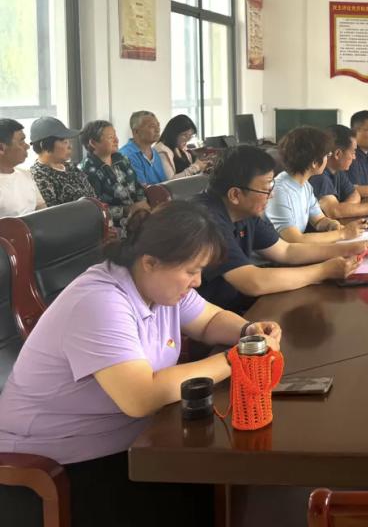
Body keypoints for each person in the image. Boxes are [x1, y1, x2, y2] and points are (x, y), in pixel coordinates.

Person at [0, 201, 282, 526]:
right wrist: (239, 357)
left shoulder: (161, 287)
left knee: (232, 489)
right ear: (150, 262)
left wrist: (248, 331)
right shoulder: (100, 302)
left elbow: (209, 320)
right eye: (191, 271)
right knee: (214, 498)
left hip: (133, 438)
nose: (197, 282)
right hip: (62, 460)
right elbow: (141, 396)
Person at [193, 145, 364, 314]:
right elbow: (252, 281)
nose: (272, 194)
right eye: (266, 189)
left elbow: (286, 250)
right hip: (211, 318)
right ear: (235, 195)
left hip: (236, 306)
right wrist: (323, 271)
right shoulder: (205, 220)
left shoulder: (243, 211)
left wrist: (350, 248)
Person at [264, 126, 362, 244]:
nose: (327, 159)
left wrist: (331, 224)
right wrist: (343, 234)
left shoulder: (305, 185)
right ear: (315, 163)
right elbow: (295, 240)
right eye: (327, 155)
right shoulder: (280, 191)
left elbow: (319, 220)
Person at [312, 124, 368, 220]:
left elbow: (355, 194)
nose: (354, 157)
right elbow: (334, 211)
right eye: (353, 152)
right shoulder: (319, 176)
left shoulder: (338, 171)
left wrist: (344, 209)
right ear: (337, 154)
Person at [79, 119, 148, 229]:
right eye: (111, 137)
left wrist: (143, 204)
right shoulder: (85, 171)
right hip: (113, 227)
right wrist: (128, 210)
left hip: (138, 218)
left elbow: (137, 185)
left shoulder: (121, 159)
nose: (117, 140)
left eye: (115, 136)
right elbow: (94, 210)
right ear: (93, 143)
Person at [28, 116, 97, 208]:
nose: (70, 146)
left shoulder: (71, 167)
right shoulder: (39, 176)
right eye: (64, 142)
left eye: (69, 141)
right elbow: (53, 212)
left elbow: (93, 198)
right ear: (44, 145)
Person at [0, 119, 45, 218]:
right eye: (21, 142)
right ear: (1, 148)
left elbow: (41, 207)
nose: (27, 146)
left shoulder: (26, 174)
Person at [154, 114, 211, 179]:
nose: (188, 139)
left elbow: (190, 174)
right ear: (173, 134)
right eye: (184, 135)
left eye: (191, 135)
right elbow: (170, 181)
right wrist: (196, 167)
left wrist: (202, 165)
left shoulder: (180, 148)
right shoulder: (162, 151)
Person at [119, 110, 166, 185]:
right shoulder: (126, 155)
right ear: (136, 131)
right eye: (152, 126)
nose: (158, 130)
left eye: (158, 125)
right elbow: (142, 189)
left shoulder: (155, 153)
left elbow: (165, 183)